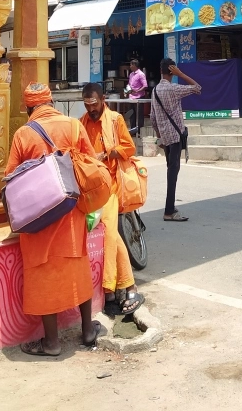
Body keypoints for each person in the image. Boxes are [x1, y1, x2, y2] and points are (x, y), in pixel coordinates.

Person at [3, 82, 100, 356]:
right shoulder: (73, 126)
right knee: (78, 268)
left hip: (40, 219)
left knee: (43, 273)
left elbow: (10, 178)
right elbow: (90, 164)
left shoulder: (23, 134)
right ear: (51, 102)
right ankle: (87, 331)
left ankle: (52, 342)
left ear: (29, 108)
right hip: (72, 213)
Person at [80, 83, 145, 317]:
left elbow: (129, 147)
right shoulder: (82, 123)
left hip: (112, 185)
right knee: (110, 236)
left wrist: (107, 153)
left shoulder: (115, 119)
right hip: (92, 188)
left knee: (109, 234)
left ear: (103, 99)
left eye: (94, 104)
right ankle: (119, 289)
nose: (91, 109)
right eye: (87, 105)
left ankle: (124, 288)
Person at [150, 58, 201, 222]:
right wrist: (182, 74)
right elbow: (197, 87)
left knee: (170, 171)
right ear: (172, 71)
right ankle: (169, 210)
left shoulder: (155, 90)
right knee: (173, 174)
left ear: (161, 71)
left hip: (165, 137)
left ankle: (170, 207)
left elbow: (152, 117)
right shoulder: (173, 89)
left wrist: (159, 136)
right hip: (176, 135)